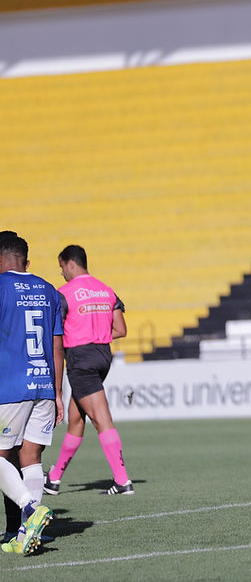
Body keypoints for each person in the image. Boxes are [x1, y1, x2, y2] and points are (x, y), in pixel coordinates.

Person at [43, 245, 132, 496]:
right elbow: (121, 330)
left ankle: (123, 480)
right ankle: (55, 478)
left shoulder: (64, 294)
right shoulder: (107, 290)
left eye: (61, 267)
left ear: (70, 263)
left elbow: (57, 335)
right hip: (103, 356)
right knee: (75, 420)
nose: (61, 273)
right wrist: (97, 335)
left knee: (101, 419)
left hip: (80, 359)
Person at [0, 233, 58, 554]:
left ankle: (30, 510)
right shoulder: (48, 290)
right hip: (45, 384)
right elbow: (57, 344)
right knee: (30, 457)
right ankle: (26, 535)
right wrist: (59, 392)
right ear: (27, 261)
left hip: (10, 386)